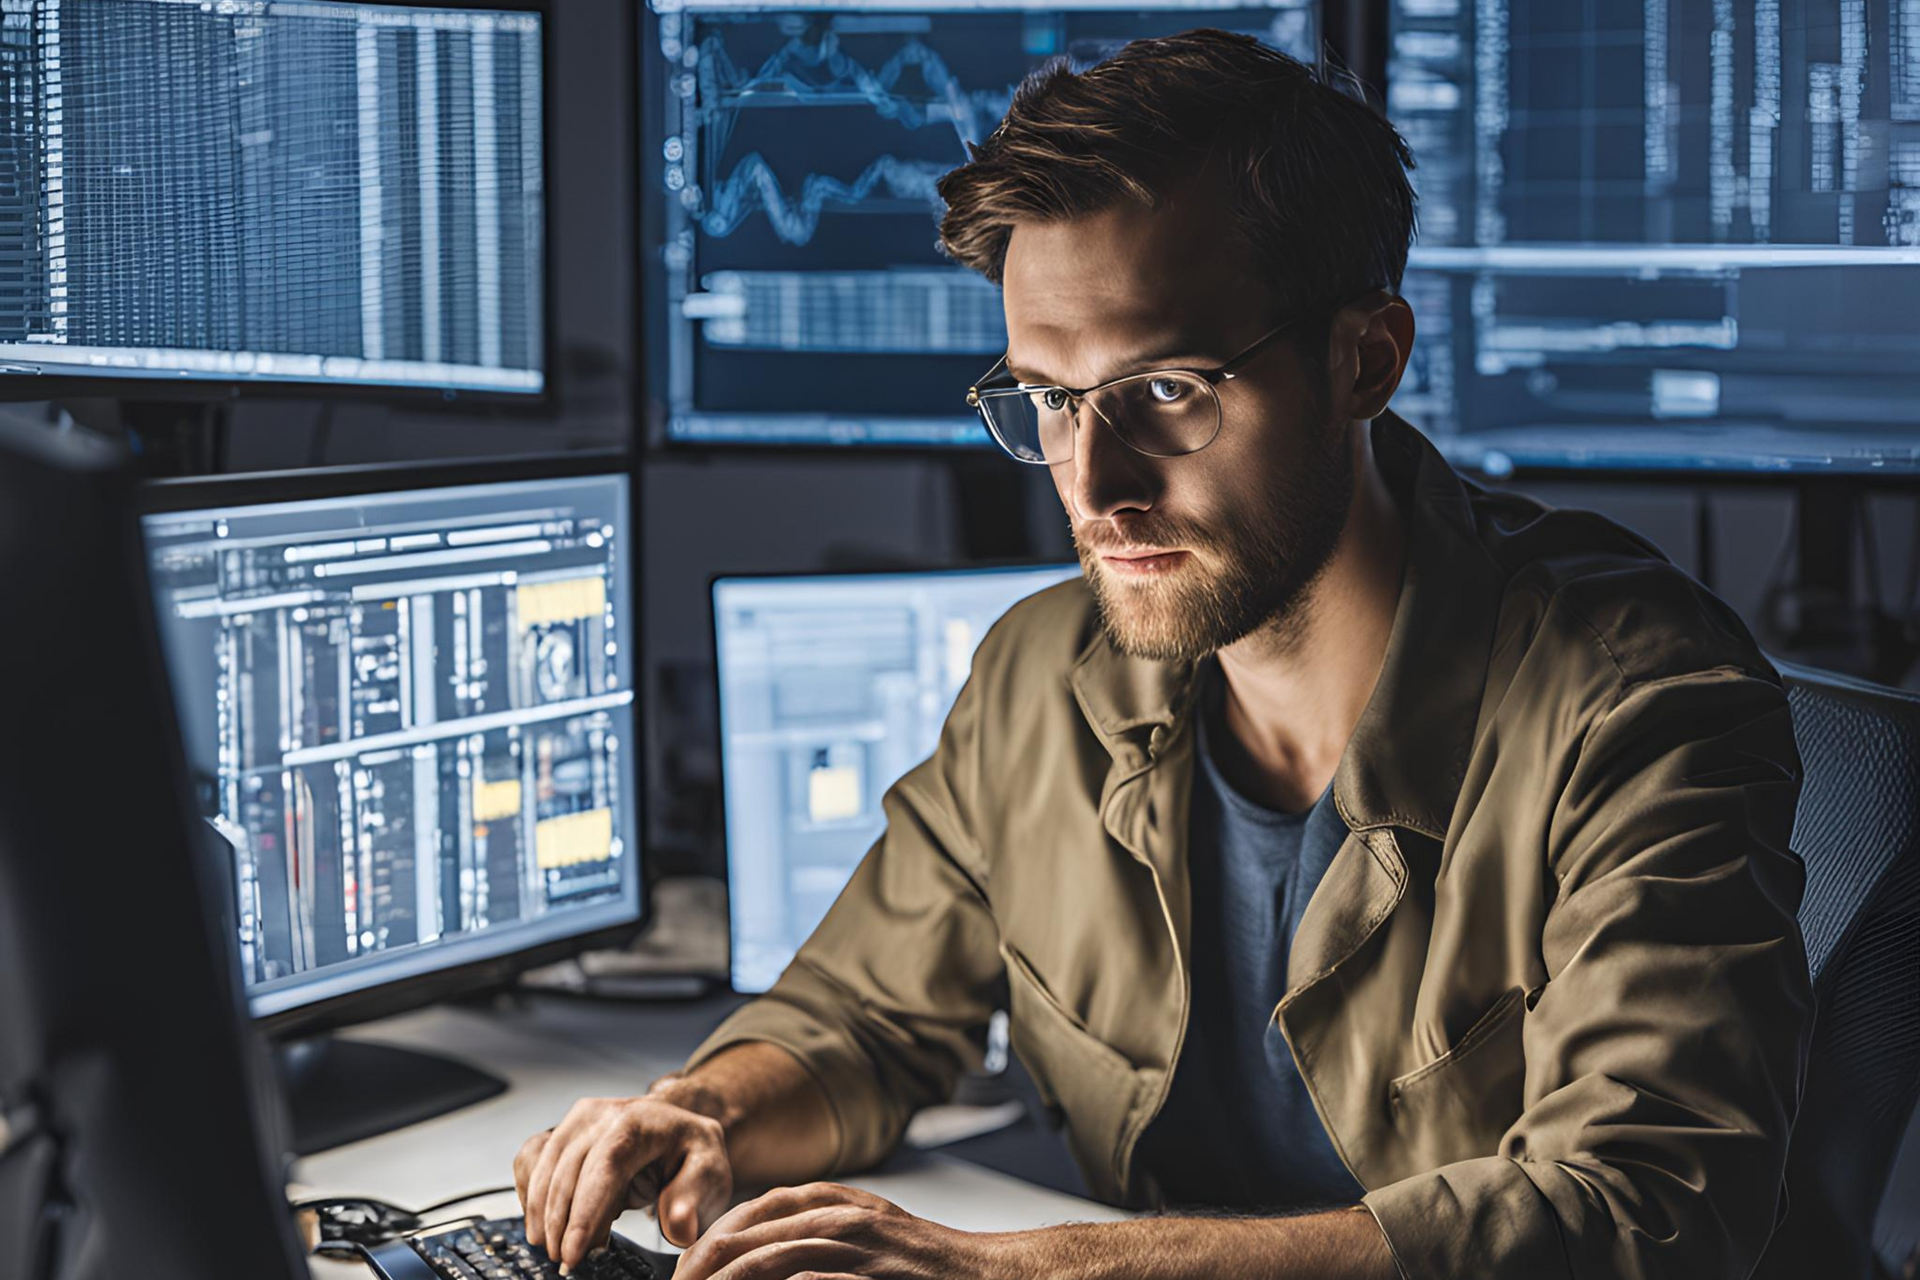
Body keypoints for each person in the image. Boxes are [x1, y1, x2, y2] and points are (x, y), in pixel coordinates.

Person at [515, 30, 1813, 1280]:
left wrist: (1026, 1272)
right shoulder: (1040, 677)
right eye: (1050, 400)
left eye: (1169, 389)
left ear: (1365, 362)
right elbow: (862, 1019)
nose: (1095, 486)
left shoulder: (1639, 705)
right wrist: (708, 1115)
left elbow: (1642, 1209)